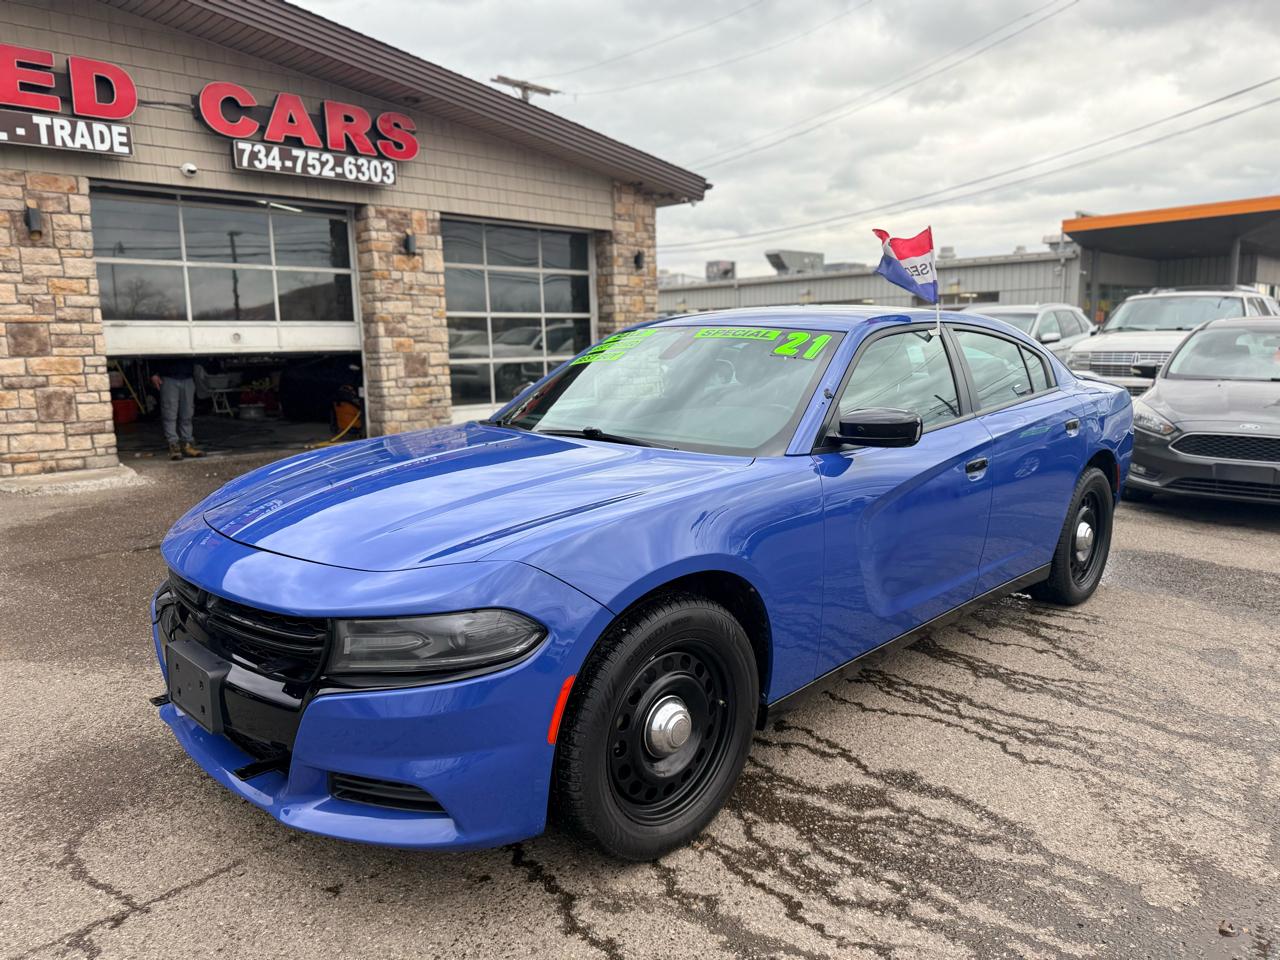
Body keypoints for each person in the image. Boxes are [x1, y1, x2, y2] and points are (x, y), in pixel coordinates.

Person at [150, 358, 204, 460]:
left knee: (187, 413)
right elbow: (154, 351)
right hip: (168, 376)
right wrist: (153, 373)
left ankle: (188, 444)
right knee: (169, 413)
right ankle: (173, 445)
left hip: (187, 377)